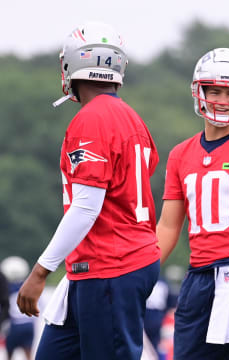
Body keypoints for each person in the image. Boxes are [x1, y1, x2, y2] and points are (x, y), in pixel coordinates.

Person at [17, 22, 160, 360]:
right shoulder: (130, 117)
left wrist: (40, 273)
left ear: (71, 66)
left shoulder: (92, 119)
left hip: (113, 265)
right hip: (100, 264)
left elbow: (86, 207)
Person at [156, 48, 229, 360]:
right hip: (199, 276)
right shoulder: (181, 153)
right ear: (200, 91)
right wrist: (141, 271)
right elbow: (169, 225)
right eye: (215, 91)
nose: (223, 100)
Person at [1, 256, 35, 360]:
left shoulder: (6, 288)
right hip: (28, 324)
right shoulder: (30, 287)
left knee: (9, 355)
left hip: (13, 325)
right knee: (29, 355)